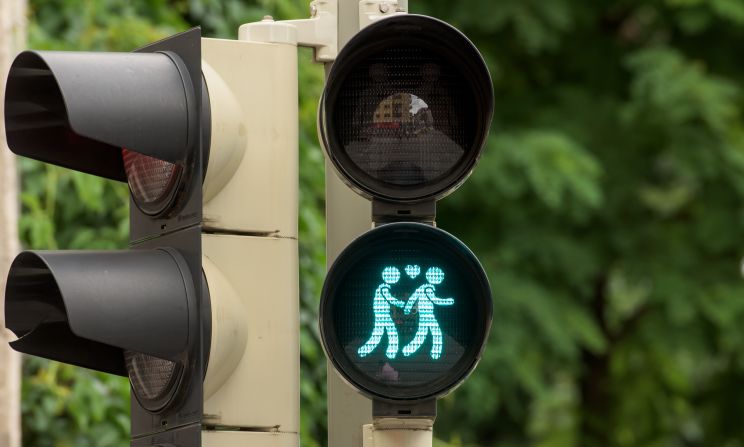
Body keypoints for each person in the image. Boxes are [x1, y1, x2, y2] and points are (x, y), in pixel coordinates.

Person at [402, 266, 454, 360]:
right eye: (439, 277)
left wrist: (407, 308)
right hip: (428, 315)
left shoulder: (421, 288)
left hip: (423, 315)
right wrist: (448, 301)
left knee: (422, 334)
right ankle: (435, 352)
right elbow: (435, 300)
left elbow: (413, 298)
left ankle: (408, 350)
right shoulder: (428, 289)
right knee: (436, 333)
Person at [357, 266, 407, 359]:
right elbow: (390, 299)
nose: (397, 279)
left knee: (381, 334)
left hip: (382, 315)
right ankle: (389, 352)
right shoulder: (384, 288)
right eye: (395, 277)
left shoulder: (382, 288)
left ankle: (365, 351)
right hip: (382, 315)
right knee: (386, 334)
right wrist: (401, 304)